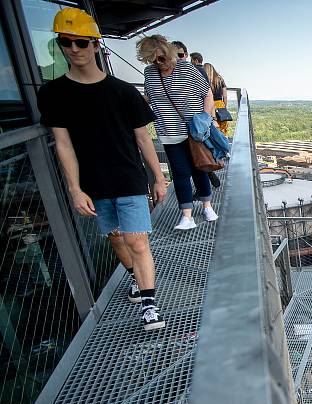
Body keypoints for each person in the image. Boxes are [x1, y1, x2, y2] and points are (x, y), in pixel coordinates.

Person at [39, 7, 167, 331]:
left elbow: (143, 138)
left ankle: (149, 305)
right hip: (94, 185)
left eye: (81, 42)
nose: (74, 49)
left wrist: (159, 177)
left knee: (137, 241)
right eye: (66, 42)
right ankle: (136, 280)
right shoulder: (53, 94)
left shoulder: (123, 92)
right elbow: (63, 145)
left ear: (96, 45)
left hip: (128, 178)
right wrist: (75, 189)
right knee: (115, 239)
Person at [138, 35, 218, 230]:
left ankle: (207, 206)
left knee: (200, 168)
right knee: (181, 173)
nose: (161, 63)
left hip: (193, 131)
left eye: (163, 57)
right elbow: (150, 97)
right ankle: (187, 216)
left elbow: (207, 93)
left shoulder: (188, 69)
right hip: (168, 132)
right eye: (155, 59)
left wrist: (206, 118)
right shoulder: (150, 73)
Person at [203, 62, 229, 135]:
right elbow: (225, 96)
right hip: (220, 104)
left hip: (209, 105)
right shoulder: (220, 80)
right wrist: (224, 107)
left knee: (211, 128)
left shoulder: (204, 80)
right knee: (222, 128)